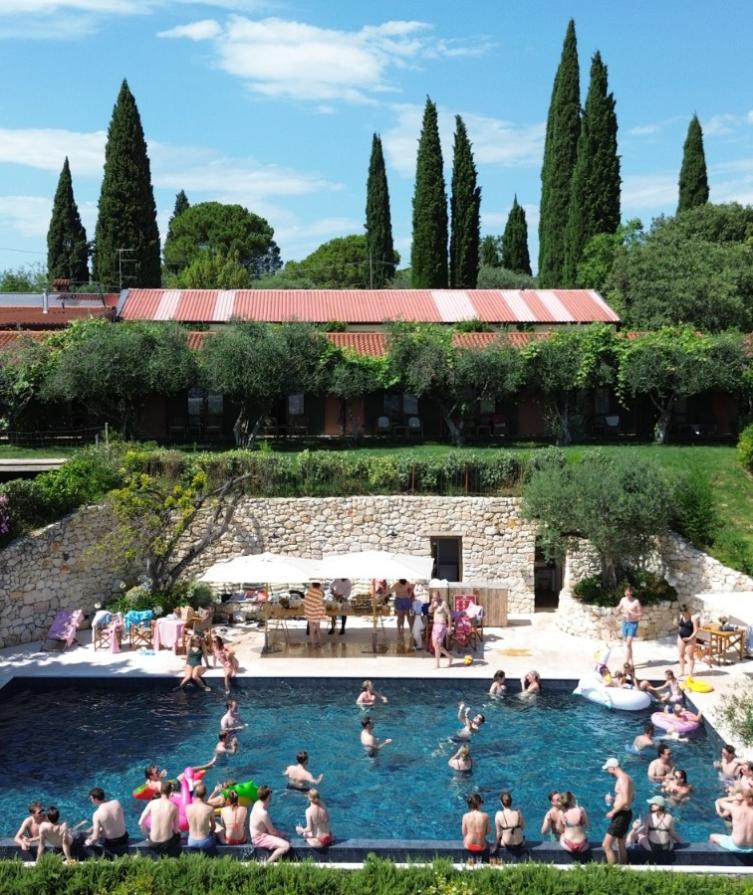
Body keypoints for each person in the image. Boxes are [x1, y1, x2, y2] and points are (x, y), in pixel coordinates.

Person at [602, 757, 635, 865]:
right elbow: (631, 798)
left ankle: (613, 872)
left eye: (608, 769)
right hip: (625, 813)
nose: (608, 771)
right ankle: (623, 868)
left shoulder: (622, 779)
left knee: (606, 845)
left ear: (613, 768)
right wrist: (614, 800)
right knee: (621, 844)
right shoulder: (628, 778)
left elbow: (625, 800)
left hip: (621, 815)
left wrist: (613, 811)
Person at [138, 781, 181, 857]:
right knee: (178, 835)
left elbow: (140, 823)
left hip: (153, 842)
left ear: (160, 791)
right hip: (167, 844)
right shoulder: (174, 807)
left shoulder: (152, 803)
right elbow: (176, 830)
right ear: (170, 792)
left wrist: (147, 836)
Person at [250, 785, 290, 864]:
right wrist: (283, 834)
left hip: (256, 834)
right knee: (286, 845)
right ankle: (267, 863)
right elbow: (273, 833)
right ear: (268, 796)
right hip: (259, 839)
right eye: (270, 794)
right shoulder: (263, 813)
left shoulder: (257, 803)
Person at [84, 788, 128, 856]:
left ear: (95, 799)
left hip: (111, 843)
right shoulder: (116, 802)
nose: (91, 801)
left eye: (91, 799)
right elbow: (113, 819)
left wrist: (88, 842)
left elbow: (95, 838)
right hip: (124, 838)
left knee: (89, 838)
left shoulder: (97, 814)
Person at [185, 782, 217, 853]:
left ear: (195, 794)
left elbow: (188, 825)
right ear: (205, 794)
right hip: (205, 842)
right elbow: (213, 828)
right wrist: (209, 831)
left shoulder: (187, 808)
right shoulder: (209, 808)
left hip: (191, 842)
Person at [615, 586, 642, 667]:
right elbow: (618, 608)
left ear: (631, 593)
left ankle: (625, 663)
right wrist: (618, 609)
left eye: (629, 594)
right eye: (626, 594)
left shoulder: (636, 601)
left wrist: (633, 614)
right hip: (625, 623)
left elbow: (641, 613)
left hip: (633, 623)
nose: (628, 596)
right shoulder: (623, 599)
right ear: (625, 593)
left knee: (628, 643)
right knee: (628, 645)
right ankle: (631, 661)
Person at [429, 591, 453, 668]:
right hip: (435, 625)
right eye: (433, 597)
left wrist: (449, 627)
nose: (435, 599)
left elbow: (449, 614)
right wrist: (432, 604)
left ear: (439, 596)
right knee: (435, 645)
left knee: (437, 645)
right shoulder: (434, 603)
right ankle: (449, 656)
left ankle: (437, 664)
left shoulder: (443, 603)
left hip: (441, 626)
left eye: (436, 597)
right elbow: (429, 611)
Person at [461, 793, 490, 857]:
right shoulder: (485, 816)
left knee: (466, 838)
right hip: (481, 846)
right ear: (479, 804)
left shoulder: (465, 816)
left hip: (468, 845)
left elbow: (464, 833)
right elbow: (488, 832)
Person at [676, 604, 700, 678]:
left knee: (690, 656)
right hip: (681, 637)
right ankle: (682, 671)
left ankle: (690, 673)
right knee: (681, 655)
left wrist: (689, 638)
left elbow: (696, 630)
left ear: (687, 611)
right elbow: (680, 626)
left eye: (683, 613)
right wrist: (680, 633)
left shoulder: (693, 618)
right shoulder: (681, 617)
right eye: (681, 613)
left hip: (690, 639)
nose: (682, 614)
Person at [304, 581, 326, 648]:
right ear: (319, 585)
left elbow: (306, 603)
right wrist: (322, 613)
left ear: (312, 585)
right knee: (318, 629)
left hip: (310, 613)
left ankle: (313, 644)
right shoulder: (320, 593)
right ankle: (320, 643)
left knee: (311, 630)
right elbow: (321, 604)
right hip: (317, 614)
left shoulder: (308, 592)